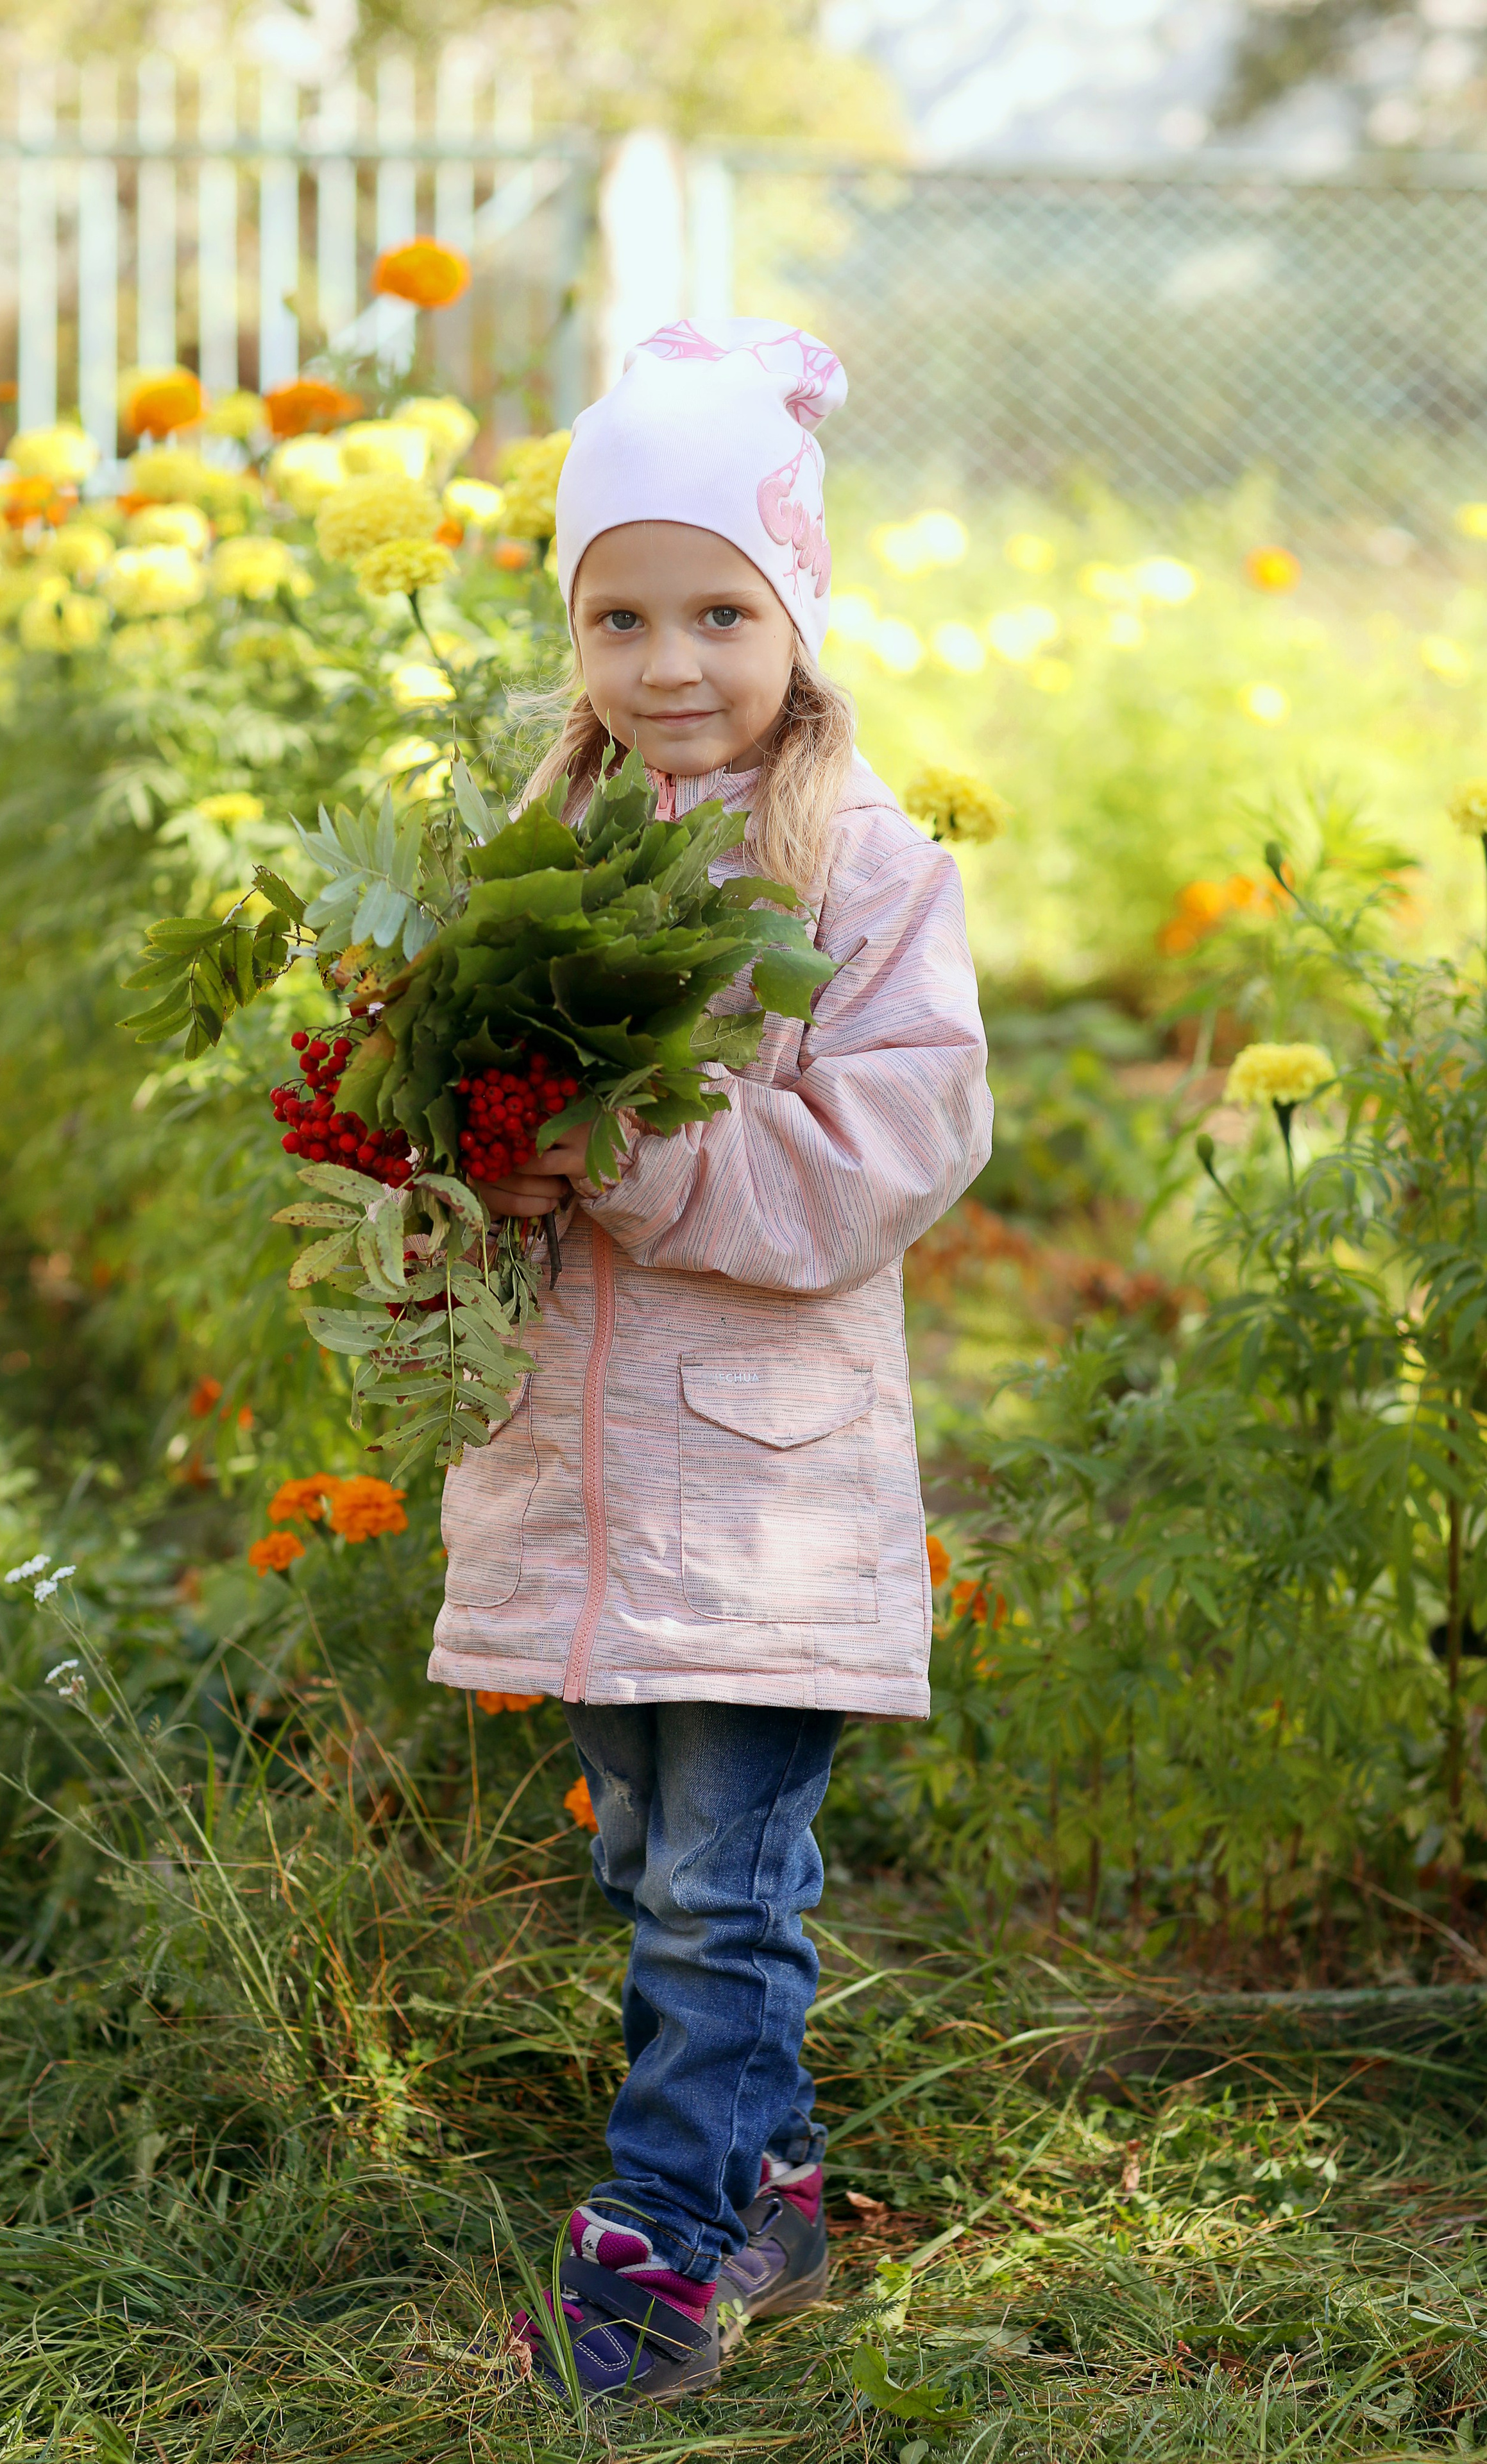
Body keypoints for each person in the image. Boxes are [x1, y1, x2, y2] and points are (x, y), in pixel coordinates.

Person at [425, 318, 993, 2401]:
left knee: (721, 1897)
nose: (672, 662)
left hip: (761, 1478)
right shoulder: (538, 858)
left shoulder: (863, 868)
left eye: (720, 611)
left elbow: (888, 1154)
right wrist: (460, 1165)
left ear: (800, 614)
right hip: (590, 1469)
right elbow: (487, 1120)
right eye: (621, 614)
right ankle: (772, 2191)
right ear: (573, 629)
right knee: (645, 1858)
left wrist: (628, 1146)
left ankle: (659, 2257)